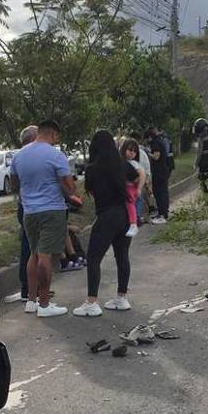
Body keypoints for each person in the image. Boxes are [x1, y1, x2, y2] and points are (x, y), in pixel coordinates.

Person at [8, 119, 78, 317]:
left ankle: (31, 300)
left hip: (29, 212)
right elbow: (69, 187)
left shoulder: (19, 155)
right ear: (53, 134)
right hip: (52, 210)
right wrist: (67, 190)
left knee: (34, 254)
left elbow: (14, 184)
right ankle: (45, 304)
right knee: (46, 256)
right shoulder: (55, 155)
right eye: (57, 137)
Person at [74, 129, 138, 317]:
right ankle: (121, 298)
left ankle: (92, 302)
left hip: (107, 216)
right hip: (125, 215)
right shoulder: (123, 165)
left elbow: (91, 193)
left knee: (93, 258)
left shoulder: (93, 168)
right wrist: (137, 192)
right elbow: (138, 176)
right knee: (122, 256)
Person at [5, 125, 38, 304]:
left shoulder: (17, 157)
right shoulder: (33, 155)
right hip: (34, 207)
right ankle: (30, 289)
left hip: (24, 205)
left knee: (28, 246)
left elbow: (14, 184)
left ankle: (29, 288)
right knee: (32, 249)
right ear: (33, 138)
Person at [120, 138, 146, 238]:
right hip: (125, 187)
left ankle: (133, 223)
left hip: (131, 188)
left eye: (135, 151)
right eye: (130, 150)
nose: (132, 153)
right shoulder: (122, 162)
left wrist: (139, 188)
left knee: (130, 204)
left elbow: (142, 174)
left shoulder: (134, 164)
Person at [147, 126, 173, 223]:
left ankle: (162, 214)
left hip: (159, 172)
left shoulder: (155, 143)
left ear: (150, 137)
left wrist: (148, 152)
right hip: (162, 171)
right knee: (162, 192)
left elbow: (156, 157)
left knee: (159, 192)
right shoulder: (159, 141)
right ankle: (163, 213)